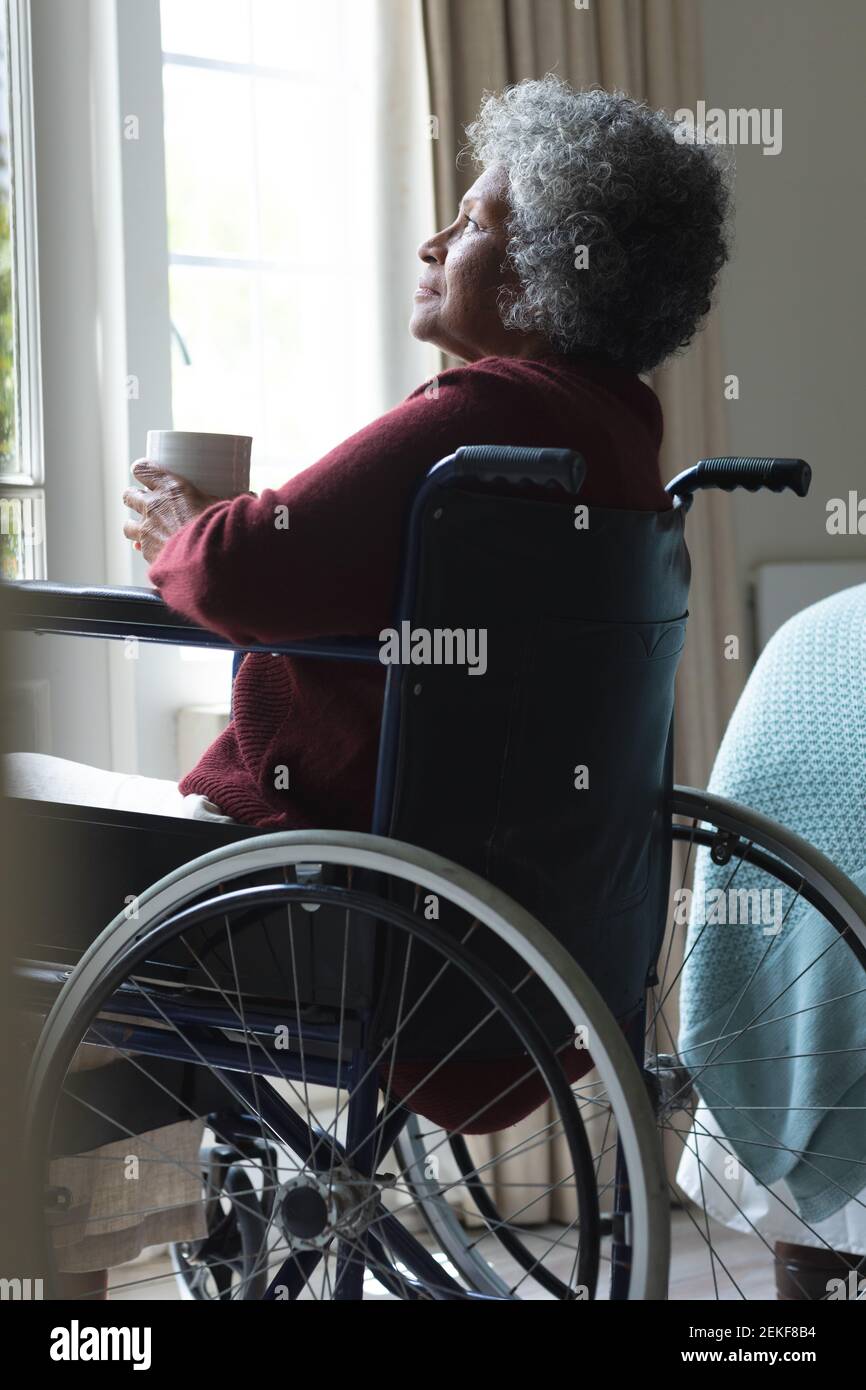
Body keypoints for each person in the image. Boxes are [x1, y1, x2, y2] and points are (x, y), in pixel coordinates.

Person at [7, 76, 732, 1282]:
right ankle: (172, 1212)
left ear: (547, 270)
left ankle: (76, 1264)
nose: (433, 242)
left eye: (474, 220)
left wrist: (181, 526)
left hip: (345, 914)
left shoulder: (483, 413)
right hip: (527, 935)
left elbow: (245, 566)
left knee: (31, 850)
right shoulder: (616, 436)